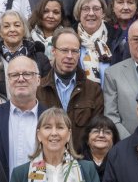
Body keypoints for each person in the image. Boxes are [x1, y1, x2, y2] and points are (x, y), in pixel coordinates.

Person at [36, 27, 105, 155]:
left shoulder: (93, 90)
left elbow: (95, 132)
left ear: (79, 54)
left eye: (74, 51)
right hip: (46, 162)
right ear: (53, 51)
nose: (69, 56)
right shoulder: (39, 90)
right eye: (64, 50)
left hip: (81, 163)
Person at [72, 0, 116, 82]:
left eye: (96, 9)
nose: (91, 13)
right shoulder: (69, 39)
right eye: (86, 9)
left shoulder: (116, 40)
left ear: (103, 13)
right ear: (79, 13)